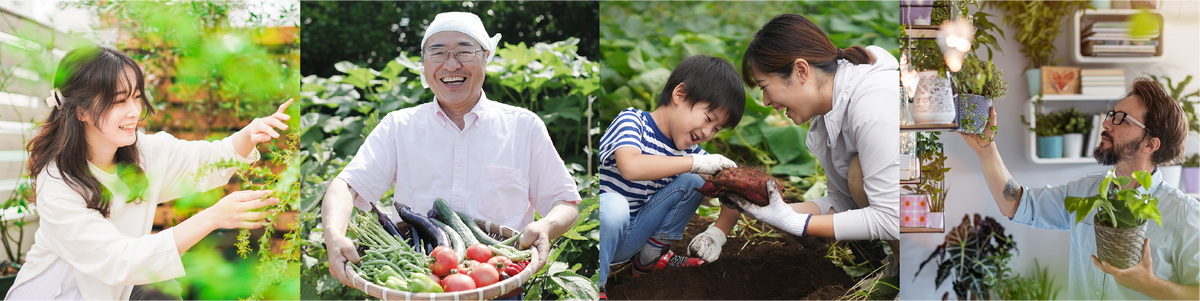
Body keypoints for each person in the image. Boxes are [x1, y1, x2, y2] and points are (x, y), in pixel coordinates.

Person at [320, 12, 582, 300]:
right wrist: (334, 235)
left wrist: (546, 225)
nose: (451, 63)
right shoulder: (399, 127)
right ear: (424, 64)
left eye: (464, 51)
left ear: (486, 57)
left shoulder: (523, 126)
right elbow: (345, 186)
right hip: (419, 278)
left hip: (498, 279)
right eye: (438, 52)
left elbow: (564, 201)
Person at [5, 46, 291, 301]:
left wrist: (249, 134)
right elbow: (119, 261)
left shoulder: (141, 152)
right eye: (119, 101)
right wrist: (213, 217)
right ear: (81, 111)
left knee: (161, 288)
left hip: (120, 287)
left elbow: (204, 160)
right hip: (61, 293)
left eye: (137, 97)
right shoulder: (57, 183)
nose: (134, 111)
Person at [686, 14, 900, 265]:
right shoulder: (828, 116)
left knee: (859, 175)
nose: (766, 101)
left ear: (801, 70)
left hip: (948, 220)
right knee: (856, 181)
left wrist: (795, 222)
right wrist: (771, 212)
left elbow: (892, 218)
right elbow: (846, 202)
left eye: (765, 86)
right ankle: (904, 266)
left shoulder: (873, 106)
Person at [959, 78, 1200, 300]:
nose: (1106, 123)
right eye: (1111, 114)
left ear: (1151, 143)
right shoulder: (1085, 192)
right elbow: (1017, 204)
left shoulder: (1185, 216)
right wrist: (985, 148)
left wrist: (1150, 285)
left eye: (1122, 119)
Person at [596, 54, 745, 300]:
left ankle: (651, 259)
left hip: (633, 236)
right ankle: (596, 285)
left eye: (716, 129)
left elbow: (735, 192)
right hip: (601, 233)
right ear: (680, 95)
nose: (708, 132)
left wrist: (718, 233)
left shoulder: (691, 153)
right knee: (614, 206)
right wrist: (694, 163)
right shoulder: (632, 122)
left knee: (695, 179)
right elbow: (630, 167)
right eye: (708, 119)